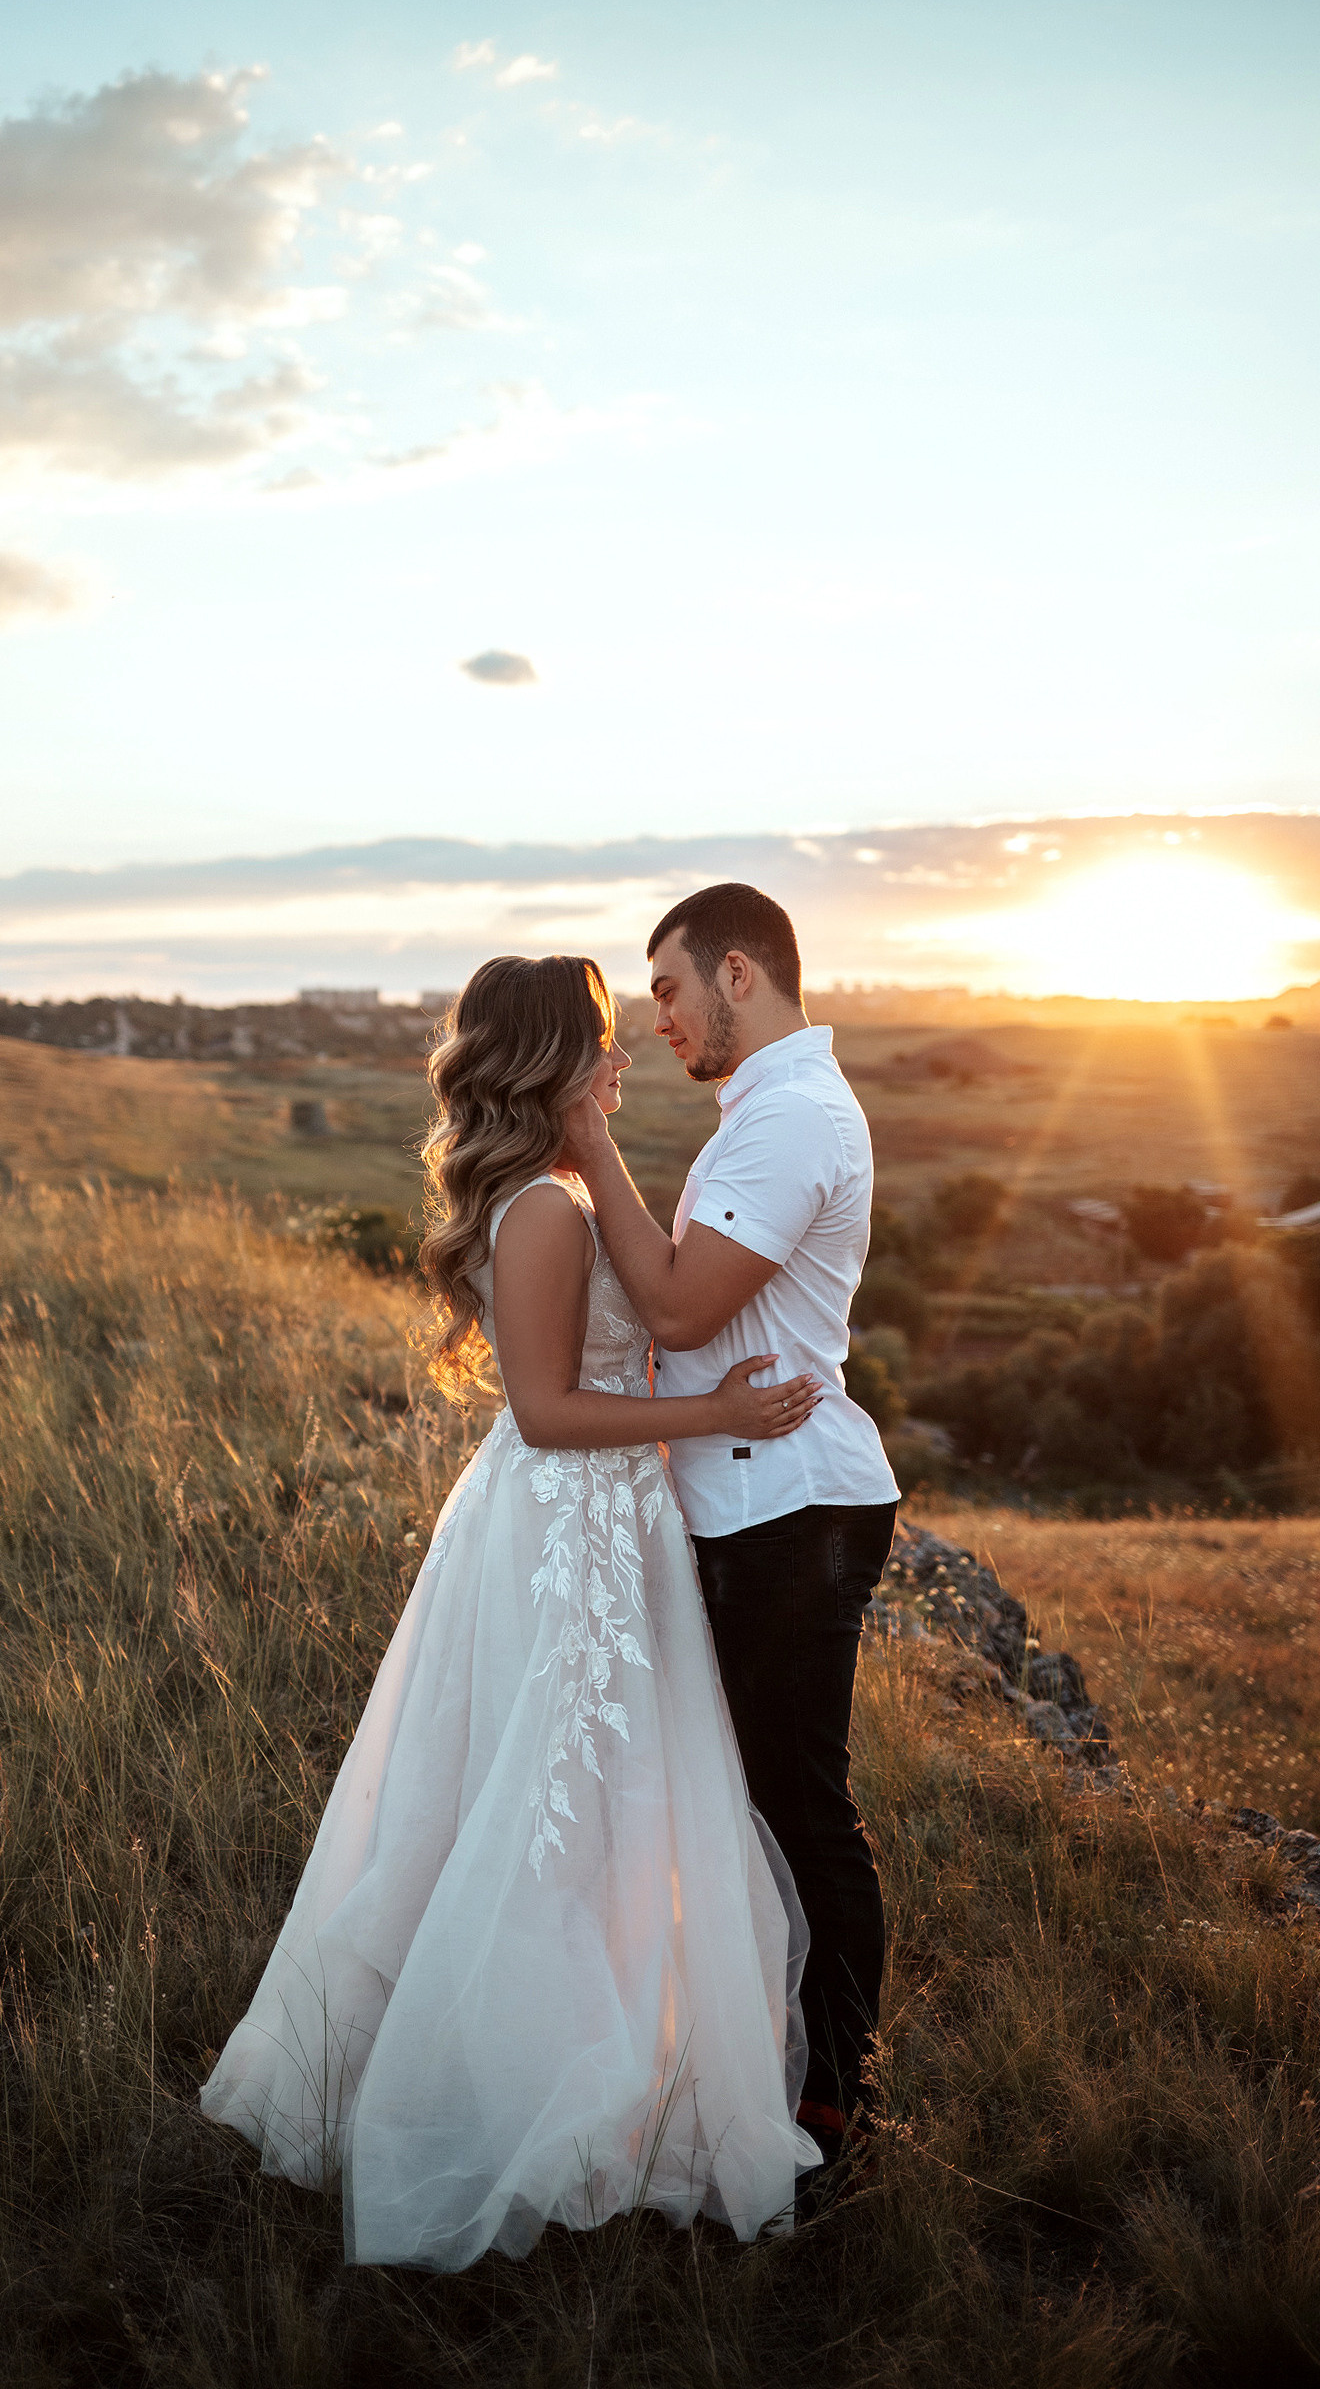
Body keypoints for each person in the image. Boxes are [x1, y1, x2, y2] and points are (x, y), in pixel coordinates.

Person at [201, 953, 824, 2268]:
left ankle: (584, 2070)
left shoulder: (557, 1185)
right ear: (546, 1058)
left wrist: (597, 1142)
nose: (623, 1054)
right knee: (552, 1813)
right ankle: (513, 2100)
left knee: (588, 1809)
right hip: (568, 1530)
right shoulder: (539, 1212)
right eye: (601, 1036)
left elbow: (653, 1295)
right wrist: (717, 1412)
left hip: (599, 1527)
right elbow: (546, 1413)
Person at [563, 883, 900, 2173]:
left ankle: (832, 2105)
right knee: (755, 1799)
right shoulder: (763, 1111)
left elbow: (682, 1310)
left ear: (739, 974)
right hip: (756, 1497)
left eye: (667, 989)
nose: (657, 1020)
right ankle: (767, 2064)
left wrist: (588, 1143)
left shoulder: (790, 1119)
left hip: (790, 1505)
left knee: (797, 1806)